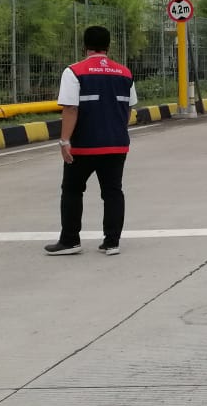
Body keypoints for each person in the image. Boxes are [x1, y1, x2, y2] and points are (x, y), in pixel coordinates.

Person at [44, 26, 138, 256]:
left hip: (84, 146)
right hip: (116, 144)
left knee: (72, 190)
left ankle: (70, 240)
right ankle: (112, 242)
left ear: (84, 45)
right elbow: (128, 108)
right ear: (108, 46)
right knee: (113, 192)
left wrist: (65, 141)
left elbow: (70, 108)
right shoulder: (125, 73)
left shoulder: (74, 71)